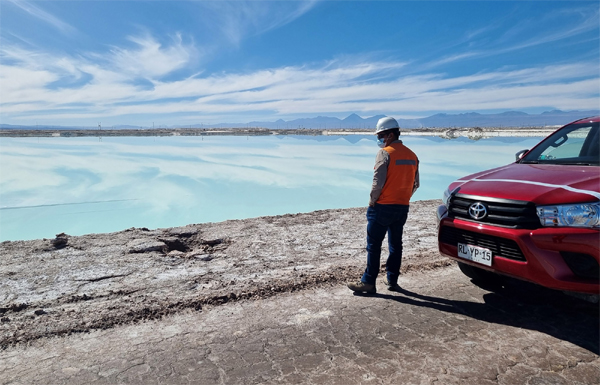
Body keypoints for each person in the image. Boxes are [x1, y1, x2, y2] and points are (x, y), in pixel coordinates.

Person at [348, 116, 419, 294]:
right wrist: (403, 197)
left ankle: (369, 282)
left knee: (373, 246)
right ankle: (392, 280)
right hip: (402, 207)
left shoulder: (385, 153)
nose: (379, 139)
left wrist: (372, 202)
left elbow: (377, 183)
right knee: (396, 245)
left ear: (389, 135)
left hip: (382, 207)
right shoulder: (412, 155)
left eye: (380, 135)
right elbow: (416, 184)